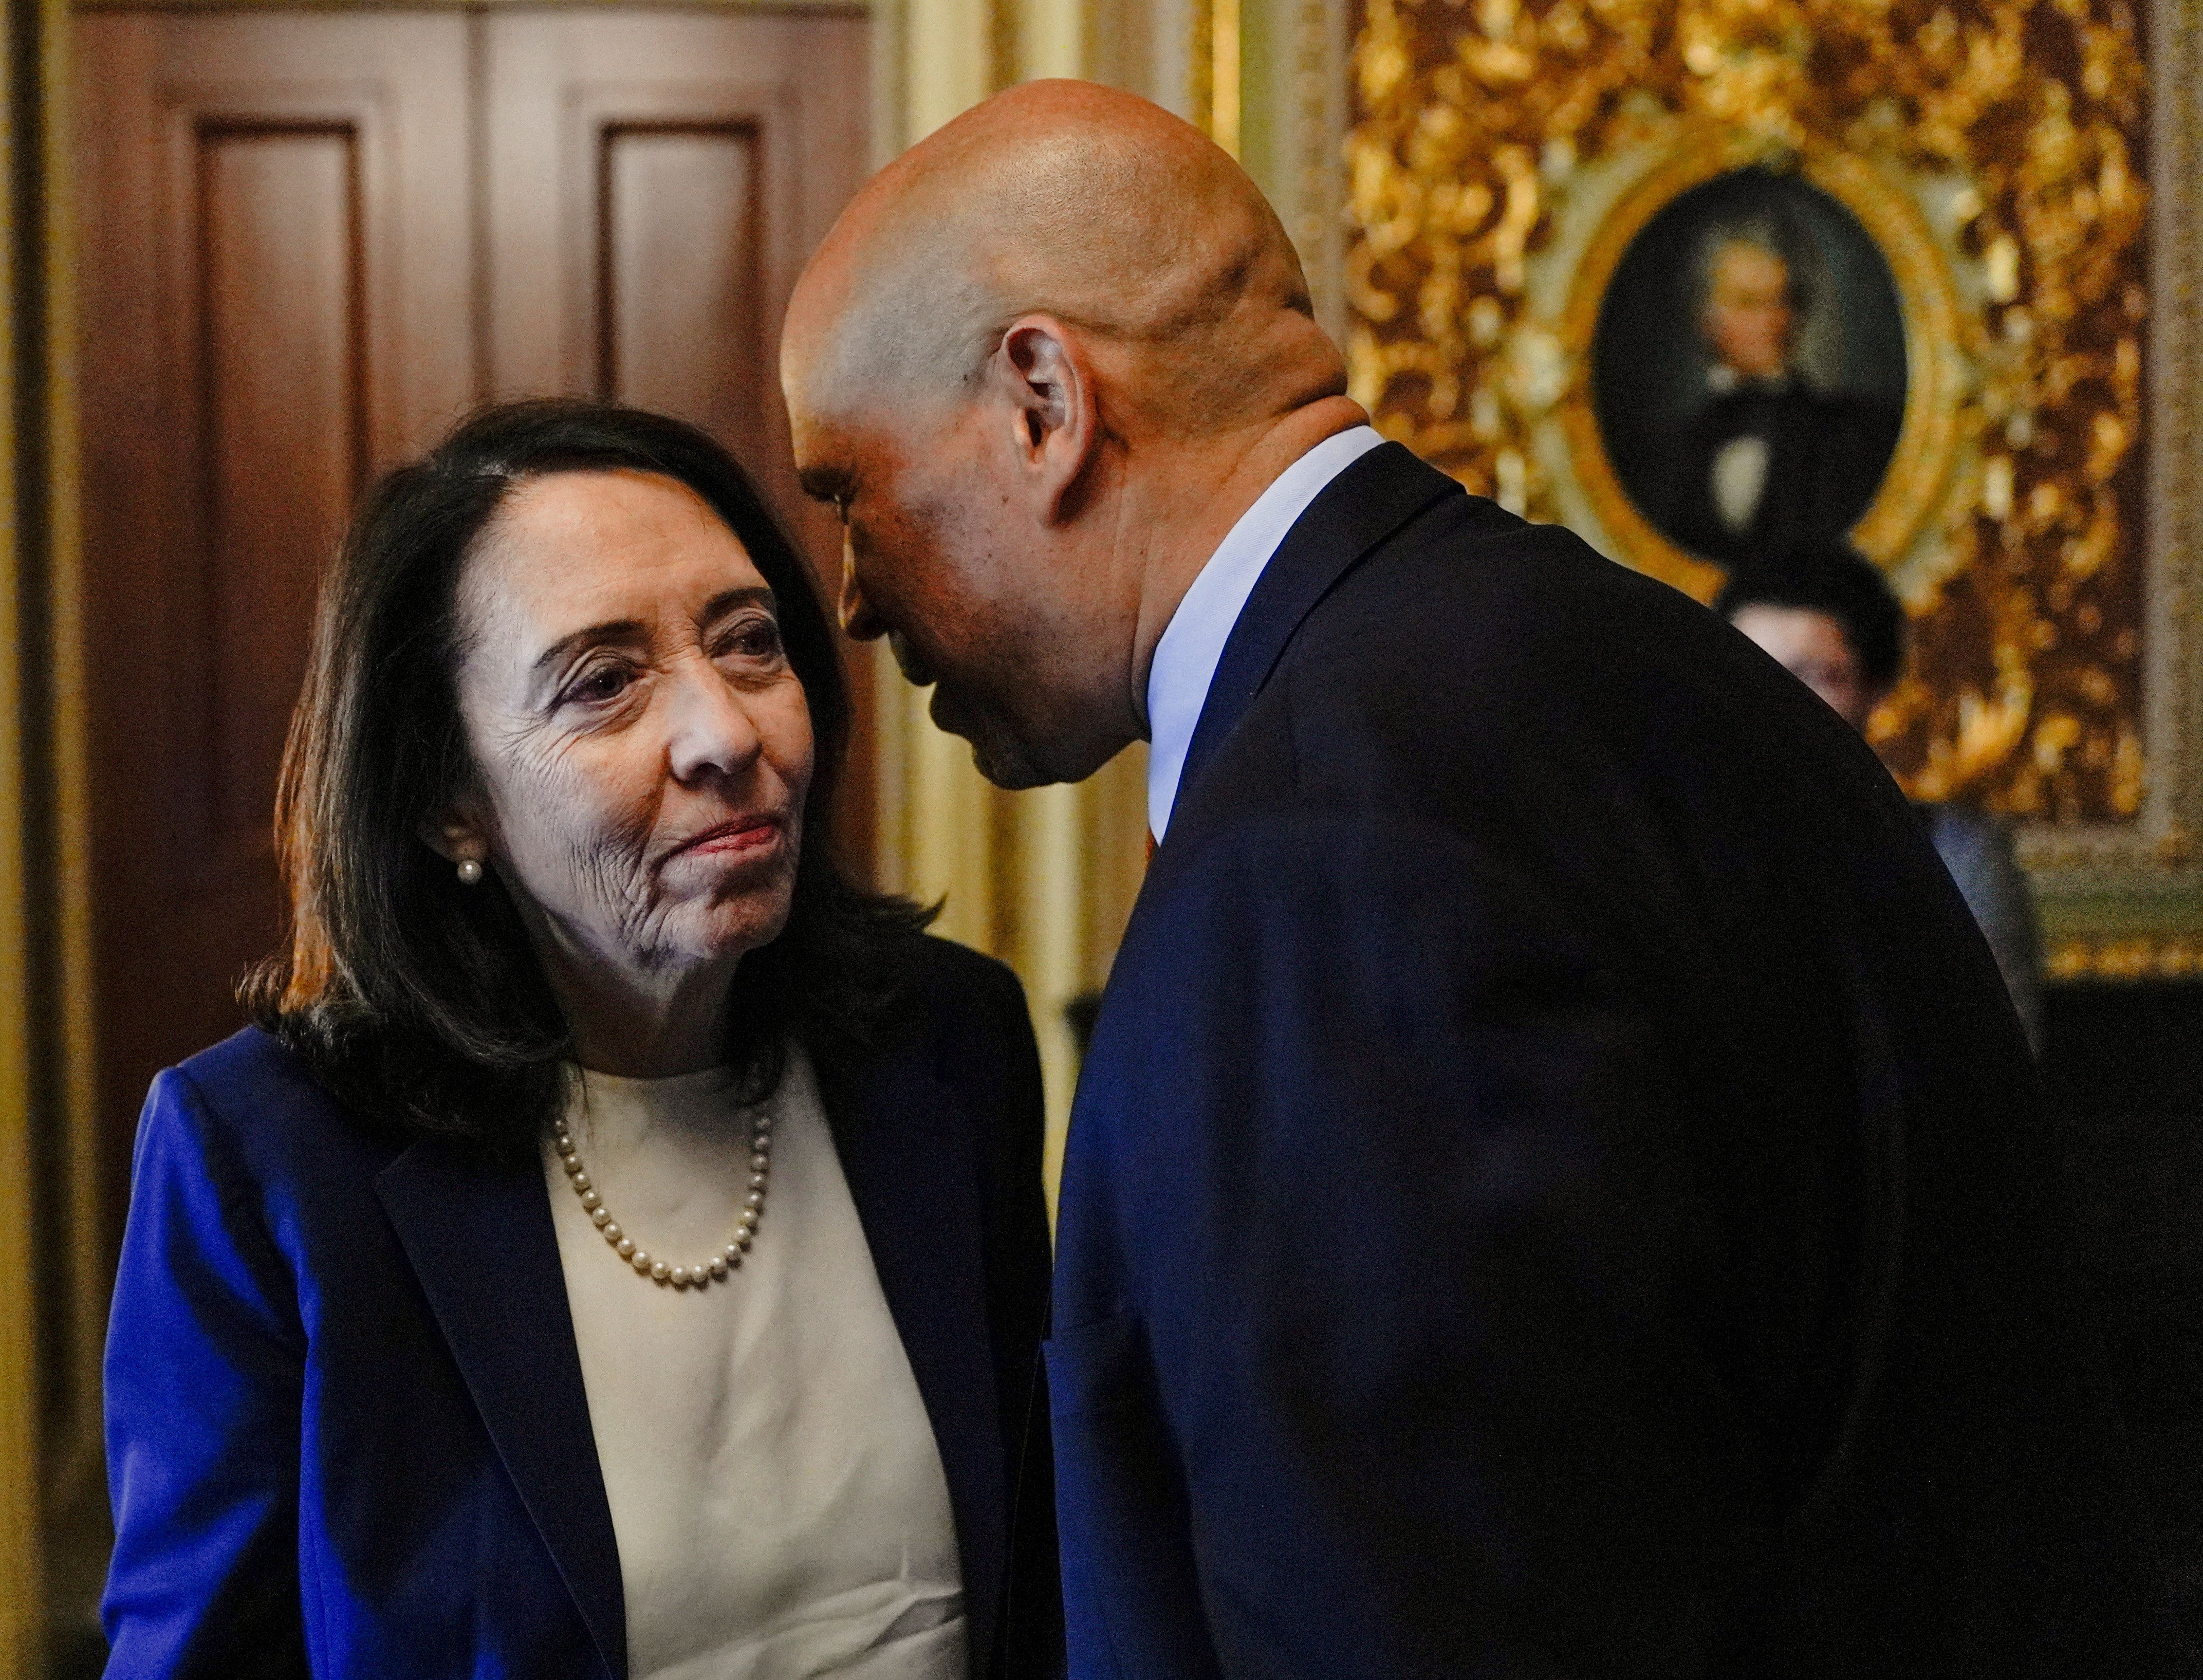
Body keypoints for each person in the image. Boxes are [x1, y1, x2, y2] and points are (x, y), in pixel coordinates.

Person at [780, 80, 2171, 1678]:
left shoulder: (1321, 859)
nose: (850, 598)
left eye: (847, 492)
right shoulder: (1599, 656)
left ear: (1041, 400)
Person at [98, 400, 1060, 1680]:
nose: (726, 734)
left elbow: (1049, 1582)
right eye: (602, 683)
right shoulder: (273, 1162)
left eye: (750, 644)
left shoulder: (945, 1045)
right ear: (450, 802)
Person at [1715, 544, 2045, 1049]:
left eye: (1817, 675)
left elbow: (1994, 1072)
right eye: (1752, 669)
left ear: (1876, 690)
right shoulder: (1670, 845)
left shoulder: (1956, 858)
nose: (1776, 699)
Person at [1655, 221, 1900, 564]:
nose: (1772, 322)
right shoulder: (1677, 441)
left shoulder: (1848, 432)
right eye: (1749, 303)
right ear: (1708, 319)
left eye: (1781, 301)